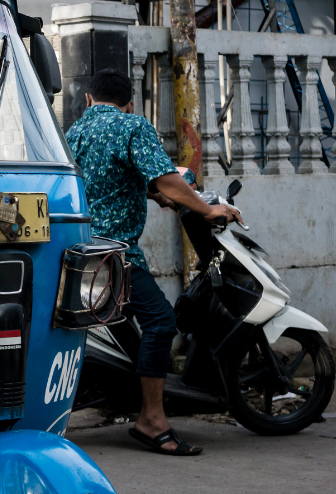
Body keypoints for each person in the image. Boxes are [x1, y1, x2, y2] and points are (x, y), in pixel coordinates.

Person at [65, 69, 242, 456]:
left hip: (75, 253)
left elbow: (104, 181)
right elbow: (168, 179)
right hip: (114, 257)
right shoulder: (132, 126)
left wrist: (151, 194)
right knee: (162, 322)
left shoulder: (72, 133)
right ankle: (151, 420)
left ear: (89, 99)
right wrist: (207, 210)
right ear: (130, 103)